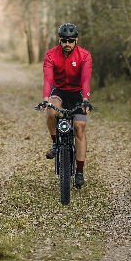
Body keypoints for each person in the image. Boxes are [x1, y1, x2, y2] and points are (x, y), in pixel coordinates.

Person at [39, 23, 92, 188]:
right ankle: (55, 142)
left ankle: (80, 171)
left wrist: (85, 99)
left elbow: (85, 80)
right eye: (64, 40)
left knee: (80, 128)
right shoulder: (50, 55)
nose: (67, 44)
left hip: (78, 93)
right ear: (59, 40)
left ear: (76, 40)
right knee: (50, 112)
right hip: (59, 91)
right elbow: (48, 79)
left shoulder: (85, 55)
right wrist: (46, 99)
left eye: (70, 40)